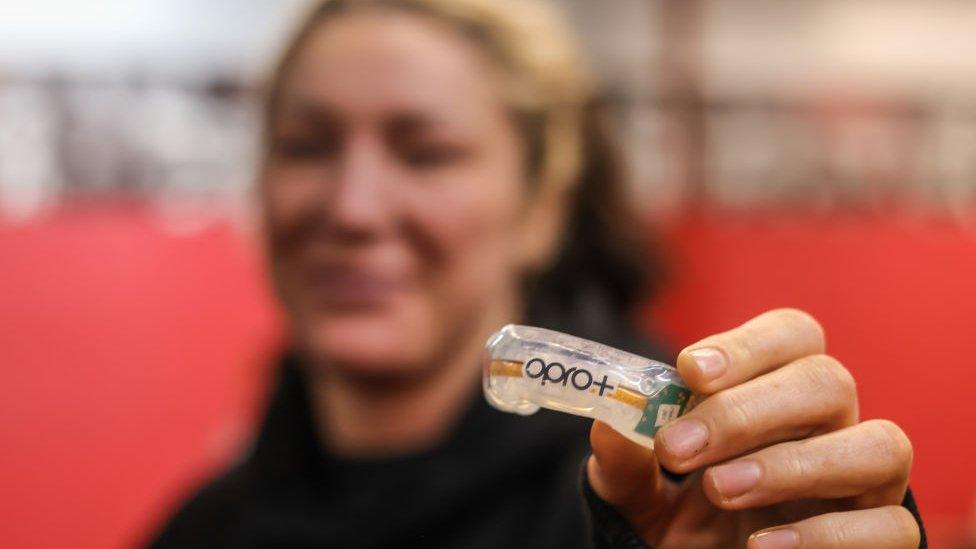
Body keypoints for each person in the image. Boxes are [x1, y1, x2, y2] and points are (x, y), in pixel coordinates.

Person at [151, 0, 924, 547]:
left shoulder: (660, 503)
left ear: (540, 208)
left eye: (427, 152)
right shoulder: (203, 526)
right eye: (307, 145)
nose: (353, 208)